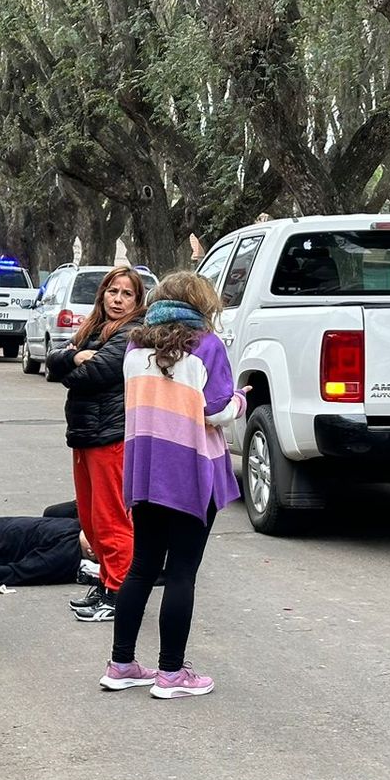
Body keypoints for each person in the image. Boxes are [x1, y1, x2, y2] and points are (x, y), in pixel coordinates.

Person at [101, 272, 245, 699]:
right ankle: (170, 673)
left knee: (142, 567)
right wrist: (241, 399)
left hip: (145, 469)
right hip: (190, 471)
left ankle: (121, 663)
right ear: (201, 303)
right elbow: (215, 411)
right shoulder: (207, 346)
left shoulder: (134, 346)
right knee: (182, 572)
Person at [46, 267, 148, 622]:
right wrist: (73, 356)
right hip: (85, 435)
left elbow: (93, 374)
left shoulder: (131, 334)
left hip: (110, 436)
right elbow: (54, 362)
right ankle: (106, 582)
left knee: (111, 519)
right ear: (103, 293)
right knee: (90, 520)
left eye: (127, 294)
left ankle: (119, 592)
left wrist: (72, 362)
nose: (118, 299)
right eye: (113, 291)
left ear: (137, 301)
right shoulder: (92, 329)